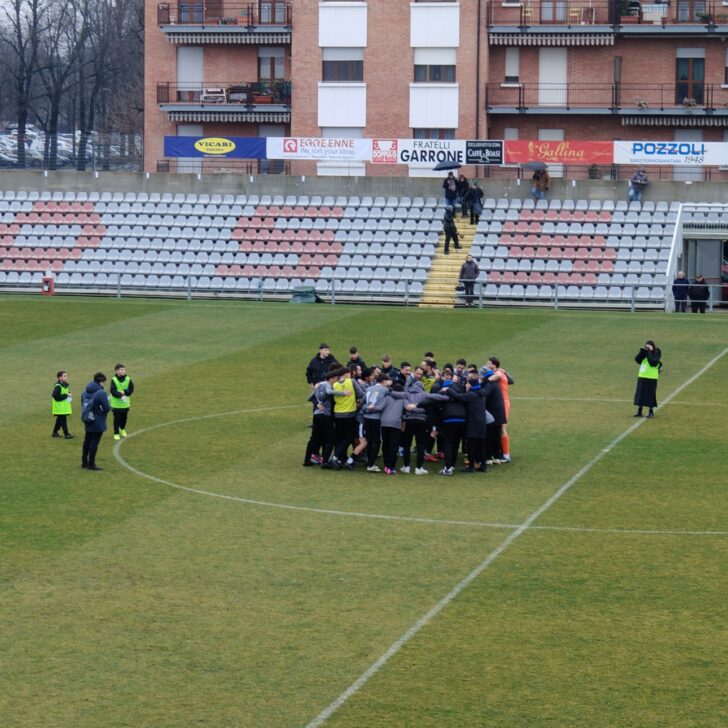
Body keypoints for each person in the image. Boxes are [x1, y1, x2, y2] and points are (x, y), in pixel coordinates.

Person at [81, 372, 110, 471]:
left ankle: (84, 461)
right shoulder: (101, 393)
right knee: (94, 442)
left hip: (87, 419)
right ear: (102, 382)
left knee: (87, 440)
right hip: (97, 420)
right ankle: (91, 463)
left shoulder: (85, 392)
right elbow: (107, 408)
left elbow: (83, 404)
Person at [633, 340, 662, 418]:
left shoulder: (657, 352)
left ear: (653, 346)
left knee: (650, 395)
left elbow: (653, 362)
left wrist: (648, 352)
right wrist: (641, 352)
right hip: (642, 376)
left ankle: (651, 412)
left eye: (649, 346)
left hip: (652, 377)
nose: (647, 348)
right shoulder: (645, 353)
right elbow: (637, 360)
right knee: (640, 394)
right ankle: (639, 411)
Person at [110, 363, 134, 441]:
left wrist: (125, 392)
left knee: (124, 418)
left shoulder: (128, 378)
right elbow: (112, 391)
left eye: (124, 370)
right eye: (122, 370)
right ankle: (116, 433)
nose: (123, 371)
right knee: (117, 419)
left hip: (125, 404)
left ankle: (122, 429)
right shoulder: (114, 379)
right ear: (117, 371)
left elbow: (131, 389)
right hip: (116, 404)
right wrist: (120, 395)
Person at [51, 370, 74, 439]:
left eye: (66, 376)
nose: (66, 377)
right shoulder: (58, 386)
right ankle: (66, 434)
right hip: (59, 407)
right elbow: (55, 396)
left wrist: (68, 394)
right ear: (59, 377)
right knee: (63, 420)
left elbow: (65, 392)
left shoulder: (64, 385)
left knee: (59, 420)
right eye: (64, 376)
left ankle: (55, 432)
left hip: (63, 407)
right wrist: (66, 395)